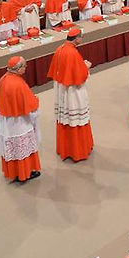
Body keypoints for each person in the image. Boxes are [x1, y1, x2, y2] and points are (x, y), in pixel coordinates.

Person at [47, 27, 94, 162]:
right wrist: (86, 66)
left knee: (66, 119)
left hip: (62, 88)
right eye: (81, 37)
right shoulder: (72, 53)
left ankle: (65, 148)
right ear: (77, 38)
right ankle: (78, 151)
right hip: (73, 91)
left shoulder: (60, 48)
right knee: (76, 119)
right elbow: (79, 76)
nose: (81, 39)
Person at [0, 56, 41, 183]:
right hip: (19, 122)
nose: (26, 68)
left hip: (6, 121)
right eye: (24, 66)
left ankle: (13, 172)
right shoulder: (18, 84)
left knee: (13, 148)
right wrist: (35, 101)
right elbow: (29, 105)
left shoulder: (3, 79)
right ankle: (24, 173)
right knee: (21, 148)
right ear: (18, 69)